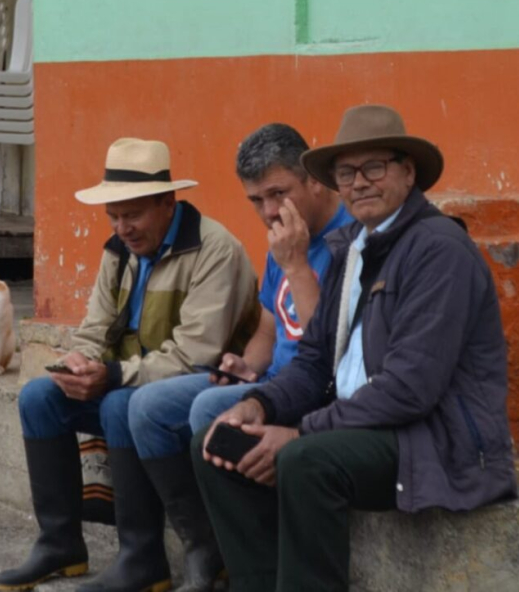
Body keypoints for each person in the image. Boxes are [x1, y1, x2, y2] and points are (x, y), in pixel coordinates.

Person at [192, 105, 518, 591]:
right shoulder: (354, 248)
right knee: (217, 442)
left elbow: (409, 390)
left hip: (432, 441)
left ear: (408, 173)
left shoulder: (439, 249)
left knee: (305, 460)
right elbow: (314, 359)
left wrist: (299, 432)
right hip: (365, 425)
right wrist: (259, 405)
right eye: (346, 173)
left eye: (374, 167)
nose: (359, 182)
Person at [0, 138, 261, 592]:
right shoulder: (119, 250)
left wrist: (115, 375)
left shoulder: (216, 249)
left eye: (133, 215)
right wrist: (77, 362)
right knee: (39, 396)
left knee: (121, 404)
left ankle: (142, 557)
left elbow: (196, 354)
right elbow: (95, 327)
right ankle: (60, 543)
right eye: (113, 216)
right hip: (131, 383)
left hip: (199, 385)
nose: (122, 228)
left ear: (167, 203)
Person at [127, 124, 352, 591]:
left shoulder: (346, 239)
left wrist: (296, 264)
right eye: (256, 199)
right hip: (272, 382)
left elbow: (329, 351)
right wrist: (246, 367)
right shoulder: (284, 235)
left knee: (209, 411)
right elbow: (269, 327)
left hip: (316, 390)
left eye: (278, 193)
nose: (268, 211)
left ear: (313, 179)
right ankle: (206, 547)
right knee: (146, 407)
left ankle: (259, 547)